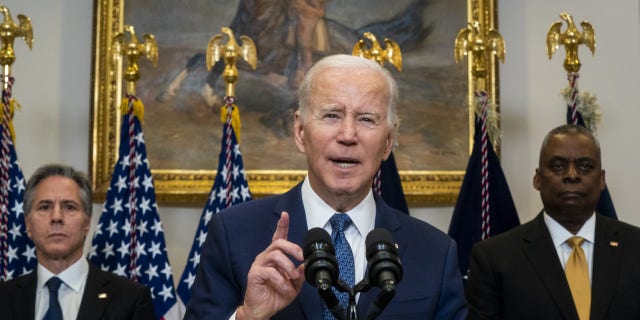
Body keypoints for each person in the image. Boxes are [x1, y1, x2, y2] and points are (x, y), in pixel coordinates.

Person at [185, 54, 467, 320]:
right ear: (300, 131)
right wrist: (249, 316)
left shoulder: (435, 253)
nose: (347, 135)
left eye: (367, 119)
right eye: (331, 115)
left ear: (388, 141)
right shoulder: (234, 233)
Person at [465, 124, 640, 320]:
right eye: (557, 166)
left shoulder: (635, 247)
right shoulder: (494, 258)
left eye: (585, 166)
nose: (572, 175)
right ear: (538, 179)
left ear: (601, 180)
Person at [0, 164, 155, 320]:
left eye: (69, 207)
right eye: (45, 207)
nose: (56, 217)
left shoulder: (131, 299)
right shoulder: (4, 298)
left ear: (87, 222)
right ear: (28, 224)